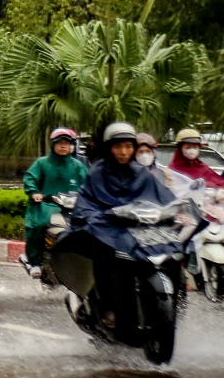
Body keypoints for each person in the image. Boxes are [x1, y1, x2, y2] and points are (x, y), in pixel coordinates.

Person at [57, 122, 175, 329]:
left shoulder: (141, 173)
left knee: (171, 254)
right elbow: (86, 203)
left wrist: (175, 212)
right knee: (105, 256)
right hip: (106, 231)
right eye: (118, 147)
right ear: (109, 148)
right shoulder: (97, 173)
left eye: (129, 147)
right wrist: (99, 217)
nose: (123, 152)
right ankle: (107, 307)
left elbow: (163, 198)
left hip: (136, 231)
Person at [19, 127, 89, 279]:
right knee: (40, 224)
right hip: (47, 205)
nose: (64, 146)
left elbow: (89, 185)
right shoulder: (42, 163)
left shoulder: (78, 166)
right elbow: (30, 178)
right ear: (53, 144)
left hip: (74, 206)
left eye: (67, 143)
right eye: (60, 143)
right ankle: (34, 261)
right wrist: (35, 192)